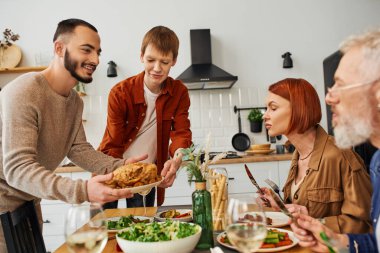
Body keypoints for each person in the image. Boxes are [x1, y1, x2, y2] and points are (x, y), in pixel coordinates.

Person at [0, 18, 143, 252]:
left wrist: (122, 166)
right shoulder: (23, 92)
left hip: (29, 202)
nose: (95, 60)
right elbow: (17, 169)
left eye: (97, 52)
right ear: (59, 48)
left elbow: (78, 149)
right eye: (86, 50)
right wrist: (84, 190)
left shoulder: (74, 101)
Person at [290, 28, 380, 252]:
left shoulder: (344, 157)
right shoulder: (378, 161)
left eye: (340, 84)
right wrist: (339, 242)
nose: (329, 97)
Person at [261, 78, 372, 234]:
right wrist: (279, 204)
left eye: (273, 108)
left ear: (298, 109)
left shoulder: (340, 156)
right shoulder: (298, 154)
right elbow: (301, 210)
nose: (264, 116)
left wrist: (315, 222)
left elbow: (365, 224)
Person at [98, 25, 192, 208]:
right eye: (150, 60)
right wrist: (119, 175)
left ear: (174, 61)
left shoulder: (179, 92)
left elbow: (182, 133)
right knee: (107, 230)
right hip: (112, 170)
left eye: (164, 62)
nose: (157, 68)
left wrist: (177, 159)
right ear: (141, 56)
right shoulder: (120, 93)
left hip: (147, 178)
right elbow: (113, 144)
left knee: (143, 229)